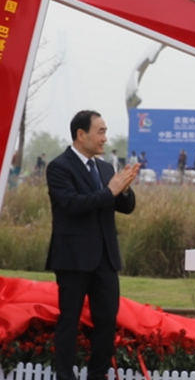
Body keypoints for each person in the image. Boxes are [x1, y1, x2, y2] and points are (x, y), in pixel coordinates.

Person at [45, 110, 139, 380]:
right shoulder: (59, 167)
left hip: (105, 259)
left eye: (105, 132)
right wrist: (109, 191)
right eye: (100, 132)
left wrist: (125, 187)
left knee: (107, 319)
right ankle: (65, 376)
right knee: (69, 320)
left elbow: (125, 206)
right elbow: (72, 205)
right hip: (73, 258)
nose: (104, 138)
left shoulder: (105, 168)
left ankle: (98, 375)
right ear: (81, 134)